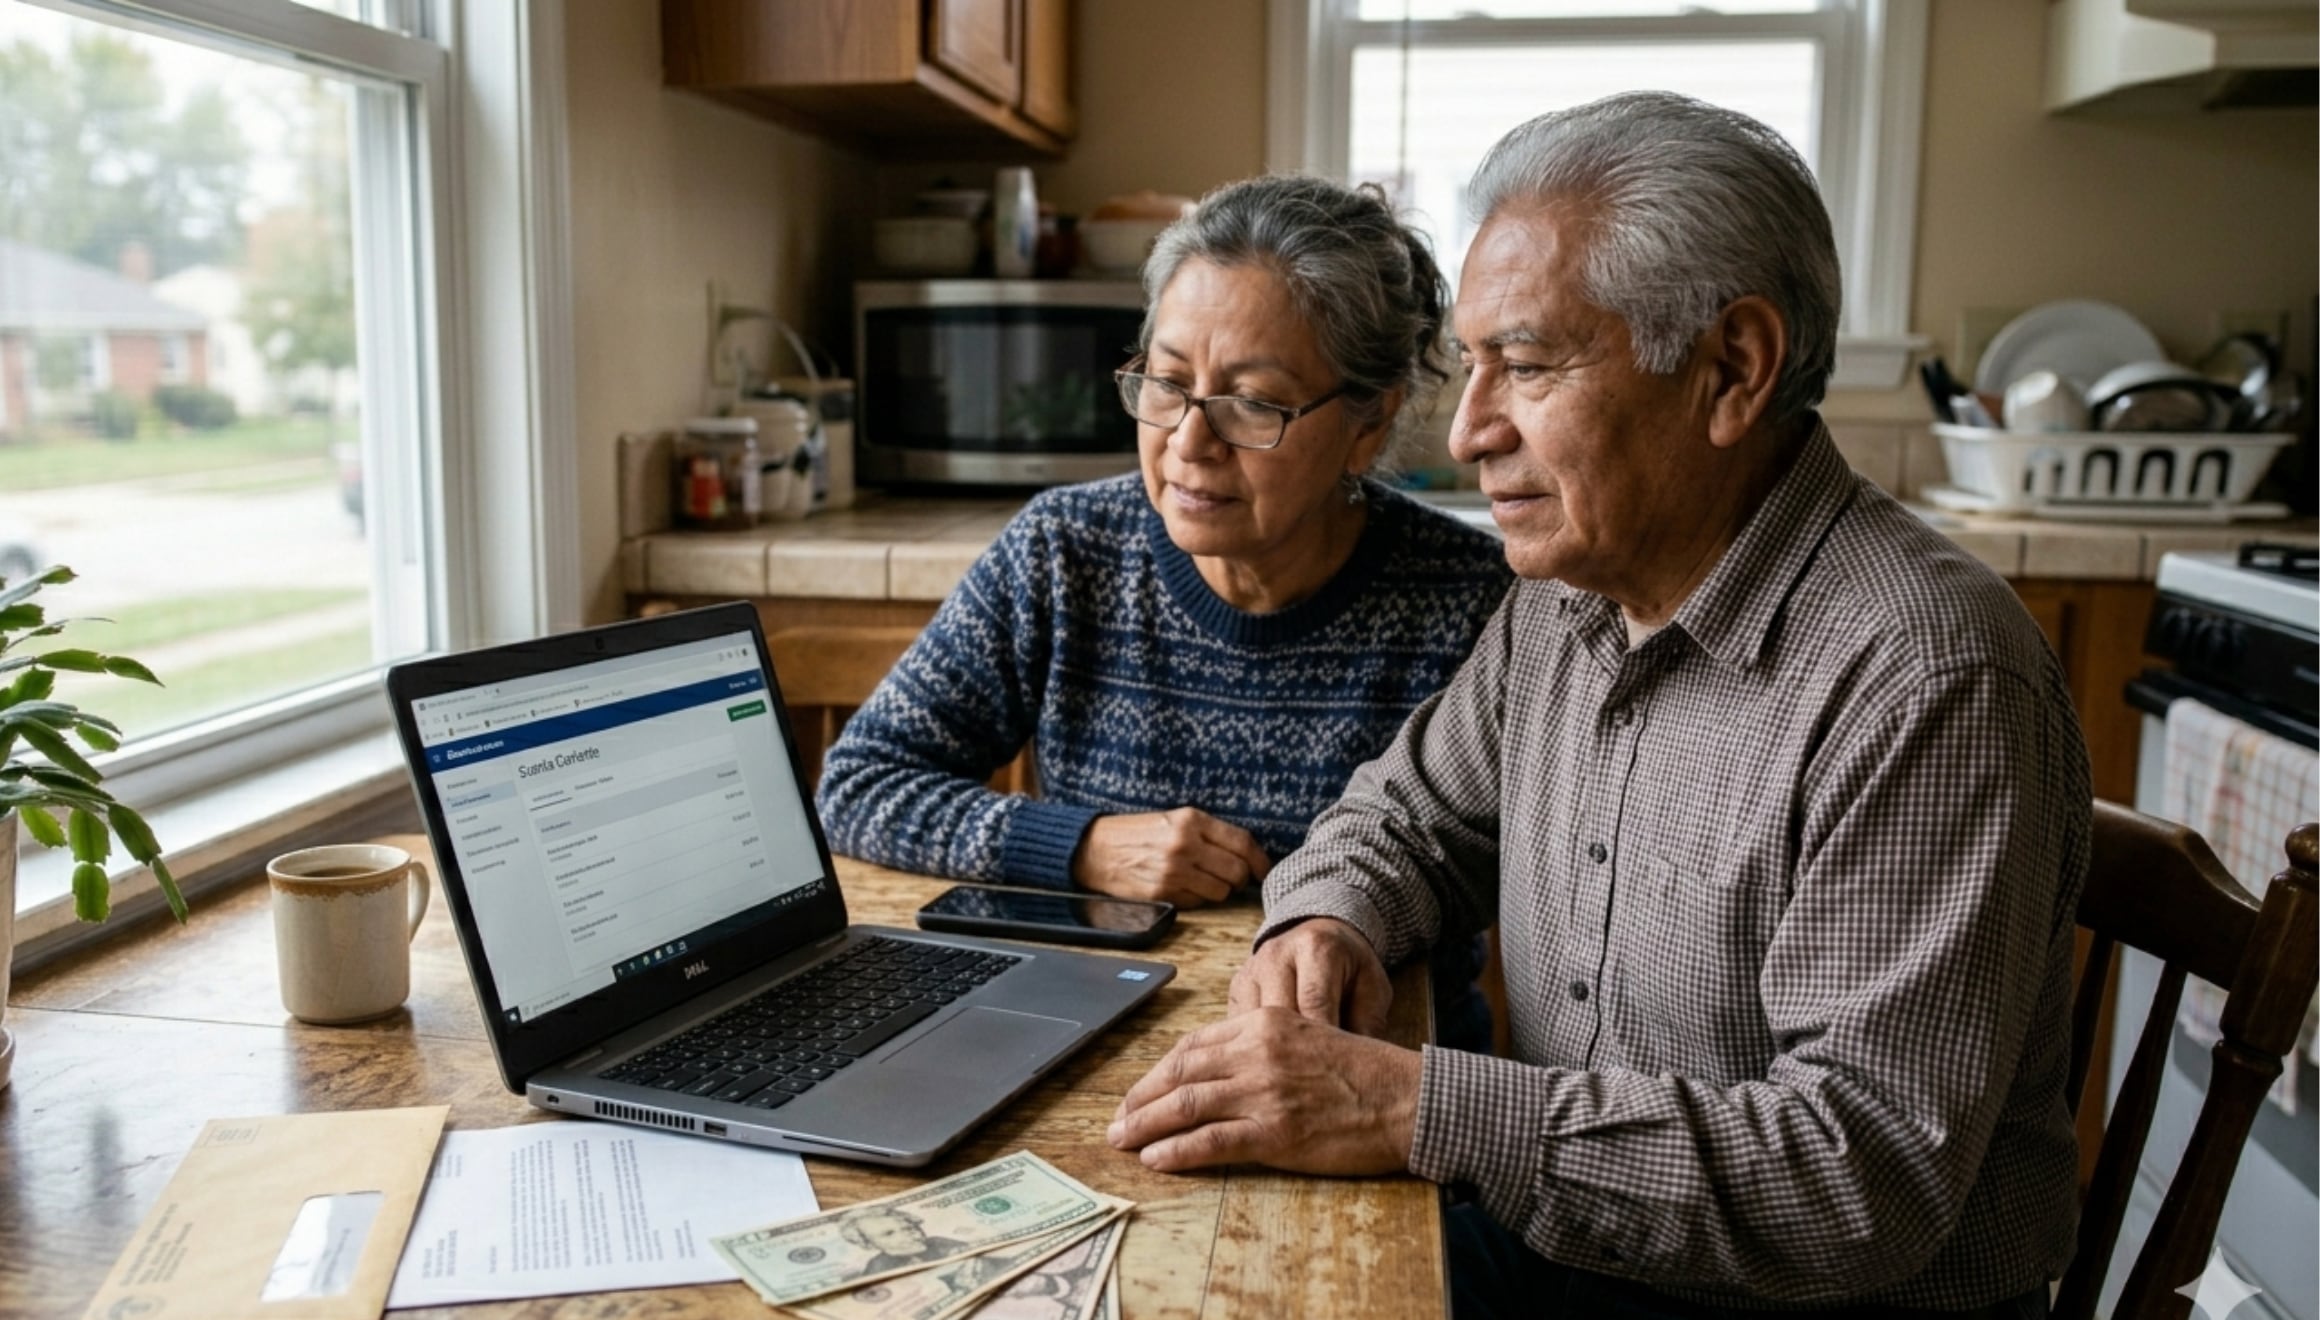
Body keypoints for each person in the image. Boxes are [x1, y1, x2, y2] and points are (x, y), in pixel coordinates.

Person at [1107, 93, 2088, 1320]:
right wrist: (1328, 923)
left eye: (1524, 366)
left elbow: (1853, 1179)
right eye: (1471, 367)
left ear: (1731, 369)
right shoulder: (1570, 596)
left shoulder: (1928, 679)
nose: (1467, 432)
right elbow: (1403, 819)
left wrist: (1406, 1104)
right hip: (1581, 1251)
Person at [815, 175, 1513, 1047]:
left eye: (1252, 402)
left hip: (1366, 1065)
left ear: (1369, 422)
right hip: (1088, 1038)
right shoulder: (1066, 551)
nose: (1188, 443)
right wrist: (1078, 847)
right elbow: (858, 785)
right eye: (1166, 382)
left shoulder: (1471, 600)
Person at [839, 1207, 965, 1275]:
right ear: (868, 1244)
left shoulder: (938, 1242)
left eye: (908, 1227)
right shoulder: (878, 1266)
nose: (909, 1234)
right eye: (888, 1234)